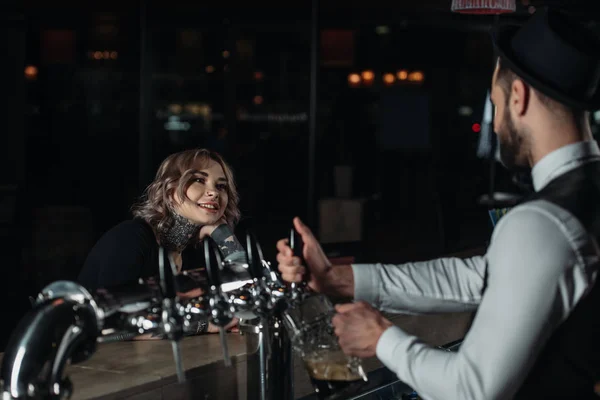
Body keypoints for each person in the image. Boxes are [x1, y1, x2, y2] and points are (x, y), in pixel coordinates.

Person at [277, 9, 600, 400]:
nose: (495, 126)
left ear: (519, 97)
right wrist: (337, 279)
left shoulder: (542, 223)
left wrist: (381, 338)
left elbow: (471, 390)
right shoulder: (582, 198)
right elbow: (477, 277)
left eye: (494, 104)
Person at [78, 148, 245, 334]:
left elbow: (249, 298)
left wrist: (222, 233)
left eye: (221, 186)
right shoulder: (130, 238)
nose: (213, 192)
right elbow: (114, 324)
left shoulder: (194, 252)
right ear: (170, 188)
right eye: (199, 180)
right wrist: (204, 324)